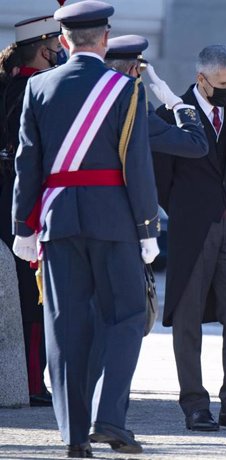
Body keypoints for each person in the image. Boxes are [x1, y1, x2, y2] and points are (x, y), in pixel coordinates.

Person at [11, 1, 160, 457]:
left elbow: (27, 161)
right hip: (114, 218)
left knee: (65, 325)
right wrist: (147, 227)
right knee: (128, 317)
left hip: (57, 218)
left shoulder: (38, 86)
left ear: (63, 42)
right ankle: (110, 418)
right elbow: (137, 163)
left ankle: (75, 436)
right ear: (106, 39)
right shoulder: (124, 88)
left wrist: (22, 224)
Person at [152, 44, 226, 432]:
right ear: (201, 79)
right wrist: (186, 209)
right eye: (223, 83)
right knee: (188, 320)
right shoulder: (169, 114)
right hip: (191, 230)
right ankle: (195, 406)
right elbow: (160, 179)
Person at [0, 14, 63, 408]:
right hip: (26, 204)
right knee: (32, 297)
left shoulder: (5, 84)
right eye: (57, 51)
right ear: (44, 50)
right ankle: (29, 382)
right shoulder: (40, 90)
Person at [104, 34, 208, 158]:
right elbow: (196, 145)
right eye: (140, 69)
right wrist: (178, 105)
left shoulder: (89, 97)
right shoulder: (133, 107)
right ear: (133, 69)